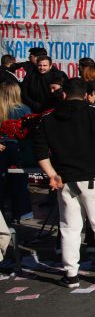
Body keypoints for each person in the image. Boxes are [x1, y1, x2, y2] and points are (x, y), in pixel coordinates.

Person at [30, 78, 95, 287]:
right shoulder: (94, 113)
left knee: (69, 228)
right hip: (93, 178)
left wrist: (51, 175)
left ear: (63, 94)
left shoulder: (48, 118)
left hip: (65, 180)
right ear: (86, 95)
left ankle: (71, 273)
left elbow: (39, 151)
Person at [0, 82, 32, 221]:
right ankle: (21, 212)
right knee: (19, 180)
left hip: (2, 148)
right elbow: (31, 131)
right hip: (19, 148)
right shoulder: (24, 109)